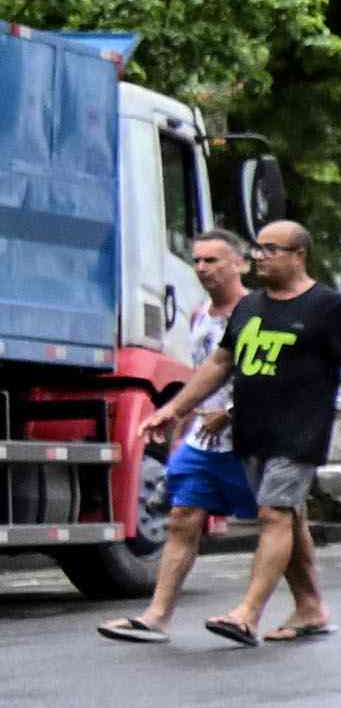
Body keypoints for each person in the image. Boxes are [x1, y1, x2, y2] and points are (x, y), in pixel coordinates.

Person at [204, 222, 341, 649]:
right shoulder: (250, 305)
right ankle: (310, 608)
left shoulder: (329, 306)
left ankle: (246, 614)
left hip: (301, 429)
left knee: (275, 513)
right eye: (258, 249)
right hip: (253, 428)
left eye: (272, 249)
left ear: (298, 255)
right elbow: (224, 364)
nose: (261, 256)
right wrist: (180, 408)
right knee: (289, 517)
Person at [99, 230, 257, 646]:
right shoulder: (199, 314)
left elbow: (272, 379)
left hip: (253, 437)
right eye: (198, 261)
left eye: (214, 261)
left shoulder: (258, 312)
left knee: (283, 523)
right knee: (182, 518)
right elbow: (201, 375)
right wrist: (179, 428)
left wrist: (232, 414)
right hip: (203, 440)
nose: (203, 269)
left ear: (240, 263)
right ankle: (156, 617)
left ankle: (308, 605)